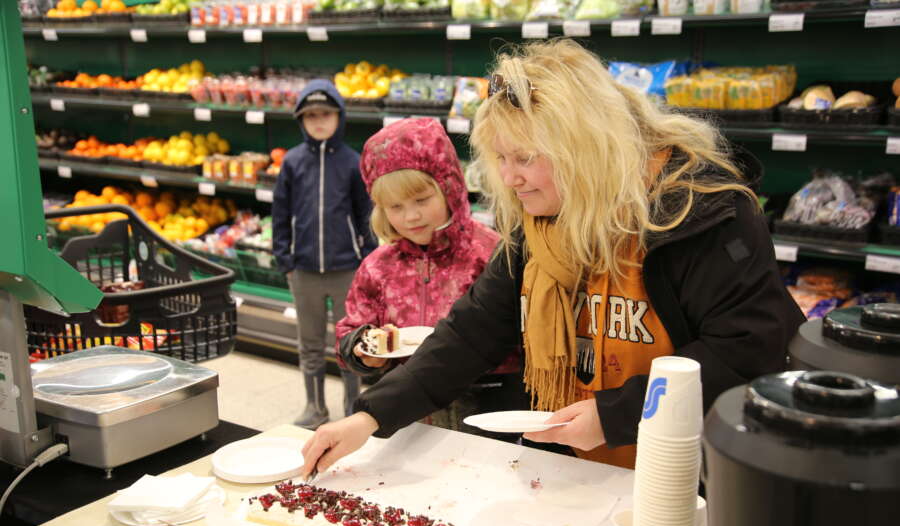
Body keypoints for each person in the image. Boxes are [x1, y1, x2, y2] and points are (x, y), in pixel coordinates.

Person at [300, 39, 805, 475]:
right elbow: (473, 330)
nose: (510, 176)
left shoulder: (702, 214)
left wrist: (614, 415)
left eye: (525, 157)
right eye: (500, 157)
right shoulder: (541, 222)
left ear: (585, 149)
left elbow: (746, 353)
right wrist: (368, 416)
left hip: (690, 472)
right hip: (578, 469)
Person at [336, 117, 523, 440]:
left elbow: (516, 335)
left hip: (486, 413)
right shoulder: (378, 267)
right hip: (407, 418)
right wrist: (362, 348)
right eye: (396, 206)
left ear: (449, 187)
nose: (411, 216)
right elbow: (351, 329)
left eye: (422, 200)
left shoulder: (490, 253)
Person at [272, 79, 377, 429]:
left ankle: (352, 405)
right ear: (301, 120)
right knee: (311, 342)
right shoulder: (291, 162)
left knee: (348, 342)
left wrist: (368, 258)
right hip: (303, 270)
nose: (319, 121)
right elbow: (280, 214)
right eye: (311, 115)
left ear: (340, 117)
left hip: (347, 268)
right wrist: (284, 259)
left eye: (326, 114)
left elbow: (366, 214)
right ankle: (315, 407)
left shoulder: (351, 162)